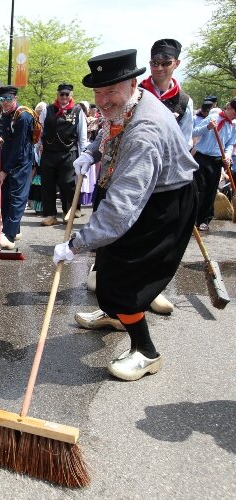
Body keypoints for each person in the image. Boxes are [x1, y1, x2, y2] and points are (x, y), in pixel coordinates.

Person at [57, 49, 198, 381]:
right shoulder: (127, 104)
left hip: (160, 203)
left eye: (111, 91)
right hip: (128, 187)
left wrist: (75, 244)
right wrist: (91, 153)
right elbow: (108, 133)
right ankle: (115, 314)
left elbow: (120, 211)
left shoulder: (145, 131)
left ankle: (146, 351)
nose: (104, 100)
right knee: (107, 259)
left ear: (132, 83)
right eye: (99, 92)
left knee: (121, 281)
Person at [0, 86, 34, 249]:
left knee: (16, 196)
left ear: (15, 99)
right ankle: (14, 230)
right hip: (8, 155)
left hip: (21, 159)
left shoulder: (23, 117)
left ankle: (8, 237)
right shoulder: (0, 112)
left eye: (9, 99)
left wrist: (5, 170)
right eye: (2, 100)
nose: (5, 103)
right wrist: (2, 139)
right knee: (7, 195)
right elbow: (7, 135)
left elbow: (19, 147)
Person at [38, 83, 88, 226]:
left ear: (71, 95)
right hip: (49, 153)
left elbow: (82, 137)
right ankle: (50, 214)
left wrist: (84, 155)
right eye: (62, 94)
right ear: (57, 95)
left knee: (67, 184)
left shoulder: (78, 111)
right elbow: (40, 131)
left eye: (67, 94)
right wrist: (38, 146)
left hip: (68, 153)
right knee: (47, 184)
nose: (64, 97)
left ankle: (68, 212)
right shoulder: (47, 110)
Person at [191, 98, 236, 232]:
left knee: (211, 190)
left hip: (217, 160)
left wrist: (227, 156)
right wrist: (208, 127)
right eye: (234, 113)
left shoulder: (233, 125)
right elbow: (194, 132)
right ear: (228, 108)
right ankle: (192, 219)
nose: (235, 116)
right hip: (202, 157)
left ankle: (204, 220)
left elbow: (229, 144)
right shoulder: (213, 117)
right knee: (199, 188)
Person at [138, 39, 193, 146]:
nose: (159, 68)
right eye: (155, 63)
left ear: (176, 63)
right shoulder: (136, 94)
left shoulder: (184, 101)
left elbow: (185, 139)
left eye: (165, 63)